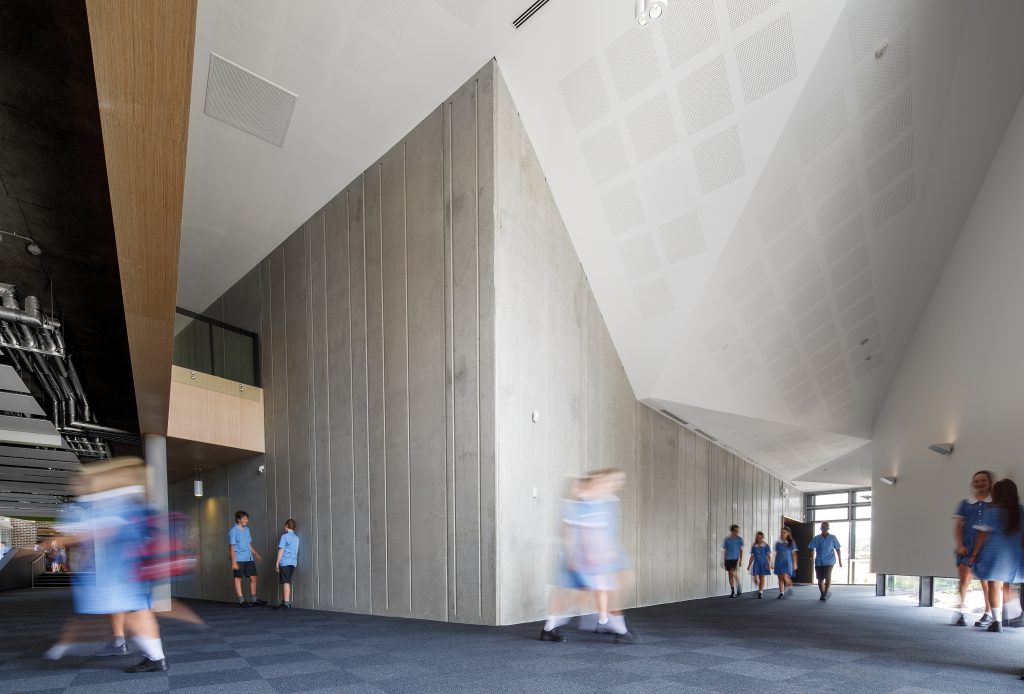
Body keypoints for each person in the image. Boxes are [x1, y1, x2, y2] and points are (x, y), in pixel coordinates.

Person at [43, 457, 168, 672]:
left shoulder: (117, 500)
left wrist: (64, 540)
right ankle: (145, 653)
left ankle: (154, 657)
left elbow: (107, 529)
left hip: (124, 570)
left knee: (134, 612)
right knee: (135, 610)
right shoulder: (129, 498)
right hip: (128, 568)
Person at [968, 478, 1022, 633]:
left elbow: (982, 535)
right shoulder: (1021, 511)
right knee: (1007, 583)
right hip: (1013, 552)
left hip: (994, 551)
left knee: (994, 584)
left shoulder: (991, 511)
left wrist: (975, 553)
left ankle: (997, 621)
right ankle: (1013, 607)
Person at [952, 470, 994, 626]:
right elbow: (957, 526)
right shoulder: (965, 503)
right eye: (976, 481)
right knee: (964, 578)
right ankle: (961, 611)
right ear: (972, 483)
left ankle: (988, 613)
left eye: (983, 480)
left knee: (986, 581)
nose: (980, 483)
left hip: (988, 546)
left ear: (990, 482)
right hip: (967, 545)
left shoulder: (995, 503)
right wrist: (960, 544)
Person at [229, 510, 265, 607]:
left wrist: (256, 554)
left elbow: (248, 544)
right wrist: (233, 562)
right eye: (244, 518)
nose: (246, 520)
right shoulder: (233, 531)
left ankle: (253, 599)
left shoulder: (247, 529)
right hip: (239, 558)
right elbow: (231, 547)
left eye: (247, 518)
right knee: (238, 578)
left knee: (254, 577)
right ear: (238, 519)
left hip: (248, 558)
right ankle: (241, 600)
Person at [807, 521, 842, 601]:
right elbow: (810, 547)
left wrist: (840, 560)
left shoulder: (833, 537)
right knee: (820, 579)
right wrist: (810, 555)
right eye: (823, 527)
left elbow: (837, 549)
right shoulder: (817, 538)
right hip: (819, 561)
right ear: (820, 528)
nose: (824, 528)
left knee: (827, 576)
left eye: (826, 527)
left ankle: (825, 594)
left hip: (829, 561)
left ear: (828, 528)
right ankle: (823, 593)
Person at [273, 519, 300, 610]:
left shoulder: (284, 536)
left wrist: (277, 563)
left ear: (287, 526)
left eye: (284, 526)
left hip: (285, 561)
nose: (284, 527)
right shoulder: (296, 538)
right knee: (287, 581)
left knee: (285, 582)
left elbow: (281, 550)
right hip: (293, 562)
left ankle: (286, 604)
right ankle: (284, 601)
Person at [774, 526, 798, 599]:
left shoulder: (791, 542)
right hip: (778, 561)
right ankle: (781, 593)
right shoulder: (778, 543)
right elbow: (776, 553)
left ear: (788, 533)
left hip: (787, 562)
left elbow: (794, 554)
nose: (782, 534)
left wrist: (795, 563)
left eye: (784, 532)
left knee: (784, 576)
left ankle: (790, 585)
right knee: (780, 577)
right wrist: (772, 562)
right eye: (781, 532)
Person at [747, 531, 771, 598]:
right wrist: (749, 565)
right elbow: (752, 556)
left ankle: (760, 592)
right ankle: (758, 587)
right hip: (756, 563)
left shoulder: (766, 546)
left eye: (760, 538)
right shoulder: (754, 546)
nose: (759, 539)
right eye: (758, 538)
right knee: (755, 578)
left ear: (763, 538)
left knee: (762, 578)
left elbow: (768, 556)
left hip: (764, 563)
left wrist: (769, 564)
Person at [722, 525, 744, 597]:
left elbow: (741, 550)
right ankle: (732, 591)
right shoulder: (727, 540)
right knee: (730, 574)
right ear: (732, 531)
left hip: (735, 559)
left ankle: (739, 584)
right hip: (728, 559)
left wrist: (741, 560)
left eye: (738, 531)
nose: (737, 532)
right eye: (736, 531)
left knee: (733, 572)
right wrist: (724, 560)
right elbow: (725, 550)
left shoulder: (739, 539)